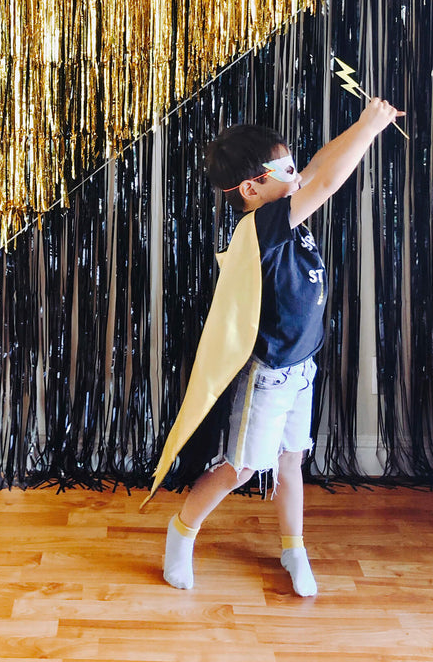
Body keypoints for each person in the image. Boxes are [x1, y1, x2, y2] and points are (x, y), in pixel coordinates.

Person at [161, 97, 404, 597]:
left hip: (301, 366)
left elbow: (316, 168)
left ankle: (293, 547)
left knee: (292, 459)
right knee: (241, 467)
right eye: (284, 170)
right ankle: (181, 533)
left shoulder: (281, 211)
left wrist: (358, 124)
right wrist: (371, 128)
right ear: (252, 188)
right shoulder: (261, 225)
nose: (296, 177)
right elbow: (326, 181)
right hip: (268, 372)